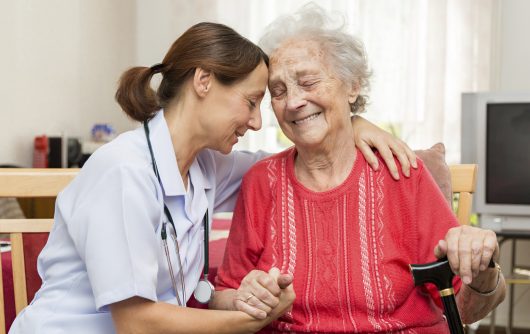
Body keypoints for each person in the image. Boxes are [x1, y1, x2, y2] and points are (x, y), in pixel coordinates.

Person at [9, 22, 416, 334]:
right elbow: (136, 323)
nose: (257, 121)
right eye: (252, 101)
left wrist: (352, 122)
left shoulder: (206, 166)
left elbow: (295, 158)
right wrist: (249, 320)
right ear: (203, 81)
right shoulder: (123, 172)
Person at [213, 6, 506, 333]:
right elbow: (225, 292)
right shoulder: (261, 181)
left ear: (352, 86)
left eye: (308, 81)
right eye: (278, 91)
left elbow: (467, 309)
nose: (293, 101)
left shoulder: (400, 172)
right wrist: (245, 295)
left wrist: (483, 268)